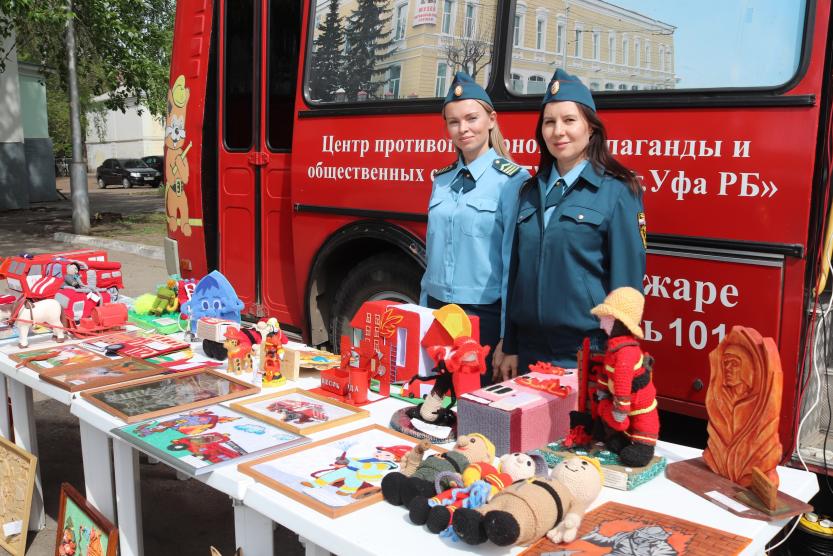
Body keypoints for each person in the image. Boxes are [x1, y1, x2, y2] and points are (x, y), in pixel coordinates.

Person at [501, 68, 646, 377]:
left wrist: (618, 357)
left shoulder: (618, 191)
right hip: (528, 351)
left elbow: (626, 287)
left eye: (569, 120)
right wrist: (510, 344)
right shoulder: (529, 192)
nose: (558, 131)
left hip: (584, 353)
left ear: (591, 129)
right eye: (549, 122)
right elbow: (516, 274)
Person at [420, 72, 530, 384]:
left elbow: (513, 267)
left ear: (491, 119)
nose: (463, 129)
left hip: (483, 320)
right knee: (433, 411)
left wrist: (509, 340)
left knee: (475, 420)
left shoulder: (513, 181)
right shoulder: (441, 180)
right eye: (453, 122)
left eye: (471, 118)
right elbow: (432, 261)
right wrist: (423, 314)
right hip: (438, 316)